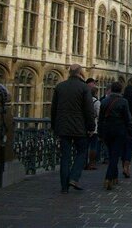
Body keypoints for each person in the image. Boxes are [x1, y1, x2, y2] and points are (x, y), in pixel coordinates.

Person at [50, 64, 95, 193]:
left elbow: (54, 109)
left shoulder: (60, 86)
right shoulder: (84, 88)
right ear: (80, 73)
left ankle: (64, 186)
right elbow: (89, 110)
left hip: (63, 127)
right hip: (79, 128)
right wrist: (91, 127)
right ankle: (74, 177)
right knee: (81, 152)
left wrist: (54, 125)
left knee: (65, 156)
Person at [99, 82, 132, 190]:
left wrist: (100, 133)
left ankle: (114, 177)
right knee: (115, 155)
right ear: (120, 90)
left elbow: (100, 119)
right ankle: (108, 178)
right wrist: (131, 132)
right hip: (119, 131)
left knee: (111, 153)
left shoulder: (104, 101)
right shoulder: (123, 101)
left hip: (107, 131)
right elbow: (128, 119)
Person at [121, 84, 132, 178]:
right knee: (130, 147)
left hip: (122, 127)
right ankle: (127, 165)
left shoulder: (122, 101)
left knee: (123, 147)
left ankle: (124, 164)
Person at [85, 78, 100, 170]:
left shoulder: (85, 100)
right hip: (94, 127)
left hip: (84, 126)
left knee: (85, 146)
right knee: (93, 146)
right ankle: (92, 163)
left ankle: (84, 162)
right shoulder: (97, 102)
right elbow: (99, 114)